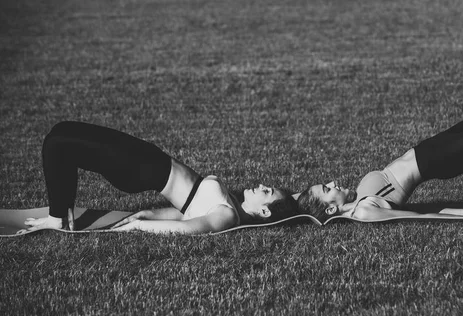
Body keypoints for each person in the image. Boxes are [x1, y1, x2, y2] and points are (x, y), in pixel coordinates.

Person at [298, 102, 463, 222]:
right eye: (327, 188)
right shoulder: (364, 210)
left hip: (433, 147)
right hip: (440, 158)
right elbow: (425, 217)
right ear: (332, 209)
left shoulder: (353, 199)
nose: (332, 182)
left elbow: (297, 204)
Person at [23, 121, 298, 234]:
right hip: (148, 159)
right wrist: (148, 213)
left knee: (58, 144)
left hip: (140, 167)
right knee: (61, 132)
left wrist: (141, 226)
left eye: (267, 191)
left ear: (263, 210)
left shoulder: (227, 216)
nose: (262, 185)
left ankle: (59, 218)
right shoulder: (231, 206)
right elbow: (183, 215)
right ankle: (63, 212)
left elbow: (189, 228)